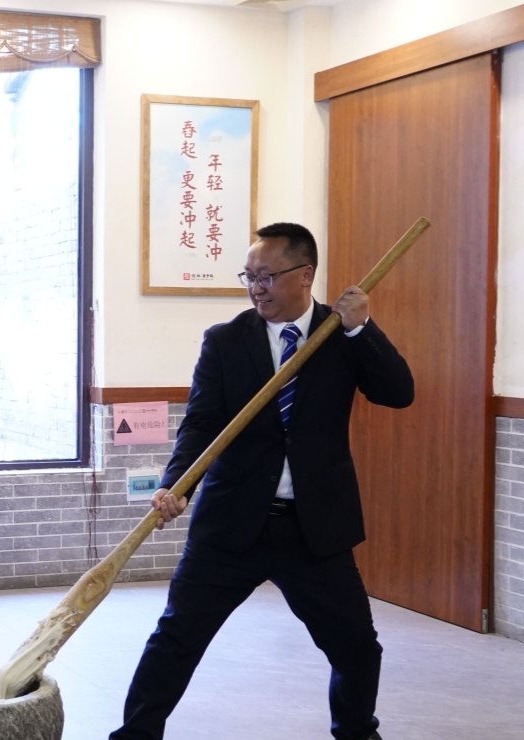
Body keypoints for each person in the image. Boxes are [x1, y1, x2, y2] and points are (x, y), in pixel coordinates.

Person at [110, 223, 414, 740]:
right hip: (231, 525)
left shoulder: (340, 335)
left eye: (266, 277)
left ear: (305, 275)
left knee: (357, 648)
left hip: (313, 530)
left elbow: (399, 393)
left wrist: (362, 328)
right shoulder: (226, 340)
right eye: (248, 277)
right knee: (176, 639)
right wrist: (176, 483)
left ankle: (357, 733)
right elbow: (201, 423)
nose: (256, 288)